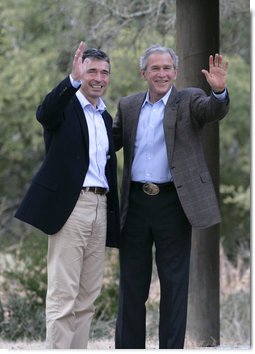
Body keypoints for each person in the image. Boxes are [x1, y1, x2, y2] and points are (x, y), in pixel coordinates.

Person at [112, 45, 229, 349]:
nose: (162, 74)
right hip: (135, 205)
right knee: (131, 287)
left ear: (175, 72)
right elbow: (106, 144)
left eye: (167, 68)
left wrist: (218, 92)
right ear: (144, 73)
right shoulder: (127, 106)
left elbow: (212, 110)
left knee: (174, 286)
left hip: (173, 205)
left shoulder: (189, 99)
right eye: (155, 68)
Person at [15, 41, 120, 349]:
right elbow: (45, 113)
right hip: (72, 207)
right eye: (91, 72)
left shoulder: (105, 118)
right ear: (80, 72)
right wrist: (71, 82)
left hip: (101, 207)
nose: (98, 78)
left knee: (88, 297)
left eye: (104, 72)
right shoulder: (65, 108)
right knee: (64, 295)